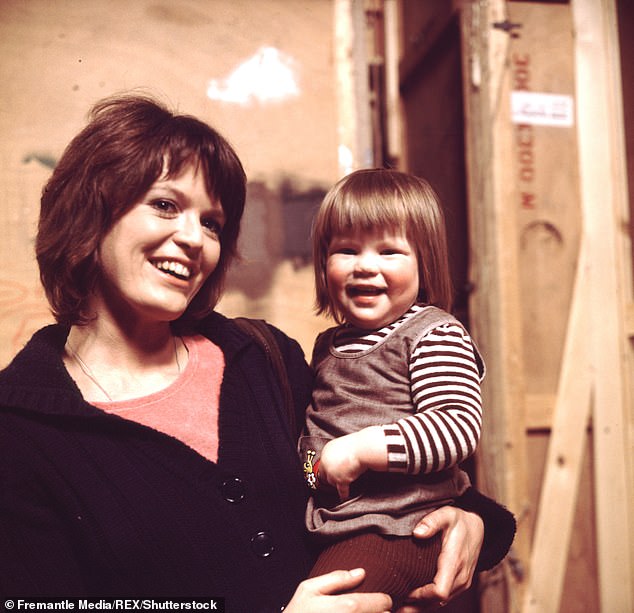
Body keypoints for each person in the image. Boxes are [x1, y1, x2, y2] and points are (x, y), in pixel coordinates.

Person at [0, 94, 514, 612]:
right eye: (165, 205)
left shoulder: (262, 358)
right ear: (90, 212)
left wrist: (474, 524)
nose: (193, 239)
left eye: (212, 223)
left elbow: (332, 468)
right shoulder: (19, 430)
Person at [300, 168, 509, 608]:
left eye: (389, 251)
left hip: (402, 526)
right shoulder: (327, 346)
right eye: (346, 250)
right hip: (337, 522)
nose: (365, 265)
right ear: (324, 264)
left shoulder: (434, 334)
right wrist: (312, 471)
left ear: (424, 262)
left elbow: (456, 427)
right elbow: (313, 440)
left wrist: (359, 450)